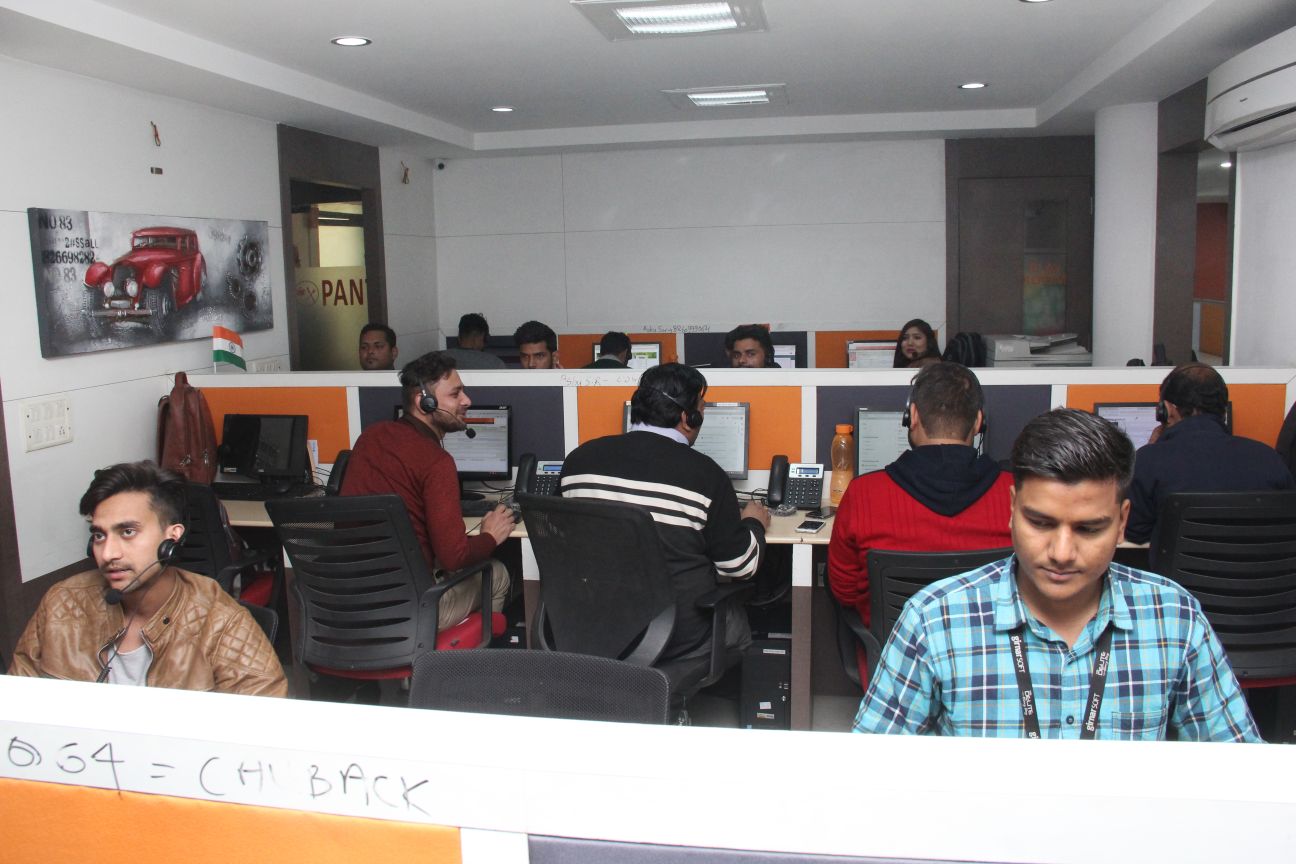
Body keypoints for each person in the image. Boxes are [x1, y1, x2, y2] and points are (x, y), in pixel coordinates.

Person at [853, 408, 1259, 741]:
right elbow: (868, 775)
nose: (1062, 553)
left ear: (1122, 522)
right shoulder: (934, 620)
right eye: (1041, 523)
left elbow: (1242, 774)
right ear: (1012, 509)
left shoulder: (1174, 618)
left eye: (1089, 529)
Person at [9, 461, 287, 696]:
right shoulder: (62, 603)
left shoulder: (221, 623)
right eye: (99, 535)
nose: (108, 553)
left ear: (172, 538)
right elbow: (16, 703)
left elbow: (262, 724)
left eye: (128, 532)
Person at [560, 363, 771, 661]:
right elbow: (740, 567)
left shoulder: (578, 460)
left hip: (592, 627)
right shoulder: (706, 476)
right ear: (688, 418)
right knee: (736, 621)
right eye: (701, 410)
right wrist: (753, 522)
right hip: (675, 635)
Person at [828, 362, 1012, 632]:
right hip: (989, 653)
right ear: (978, 422)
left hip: (896, 653)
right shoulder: (1016, 495)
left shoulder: (864, 494)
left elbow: (844, 591)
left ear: (911, 416)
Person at [341, 352, 512, 628]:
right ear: (425, 402)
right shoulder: (436, 461)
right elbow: (454, 558)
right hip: (411, 610)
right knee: (498, 573)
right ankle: (462, 654)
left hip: (350, 600)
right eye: (455, 394)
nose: (467, 400)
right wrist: (490, 536)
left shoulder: (370, 437)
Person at [1126, 363, 1294, 553]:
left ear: (1167, 410)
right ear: (1223, 412)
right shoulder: (1268, 459)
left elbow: (1134, 532)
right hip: (1260, 571)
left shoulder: (1149, 461)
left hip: (1179, 572)